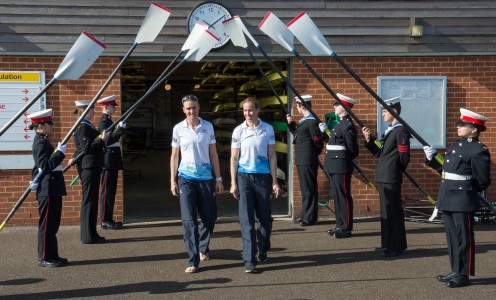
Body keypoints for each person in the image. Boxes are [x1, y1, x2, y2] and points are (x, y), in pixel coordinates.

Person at [423, 108, 491, 288]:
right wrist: (432, 159)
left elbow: (483, 180)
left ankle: (463, 274)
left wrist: (468, 191)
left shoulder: (478, 150)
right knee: (452, 237)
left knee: (464, 238)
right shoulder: (455, 146)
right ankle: (455, 269)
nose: (458, 126)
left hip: (462, 199)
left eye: (463, 124)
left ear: (474, 129)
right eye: (459, 123)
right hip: (447, 195)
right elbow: (445, 171)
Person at [170, 94, 224, 274]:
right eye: (188, 108)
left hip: (206, 179)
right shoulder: (178, 129)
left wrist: (218, 178)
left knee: (209, 217)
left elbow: (214, 154)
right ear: (183, 110)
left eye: (194, 107)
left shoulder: (207, 127)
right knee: (189, 221)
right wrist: (172, 180)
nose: (191, 111)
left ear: (199, 107)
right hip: (185, 179)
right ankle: (193, 259)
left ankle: (203, 246)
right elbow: (175, 156)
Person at [230, 97, 281, 273]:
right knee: (247, 221)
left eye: (251, 110)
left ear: (258, 110)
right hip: (244, 178)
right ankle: (249, 260)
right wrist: (233, 182)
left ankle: (263, 247)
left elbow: (272, 156)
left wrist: (275, 181)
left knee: (265, 218)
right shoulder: (238, 131)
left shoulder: (268, 129)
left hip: (263, 179)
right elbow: (234, 158)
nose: (248, 114)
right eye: (245, 111)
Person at [362, 97, 410, 257]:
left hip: (391, 176)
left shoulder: (401, 131)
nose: (382, 114)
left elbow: (404, 157)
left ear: (394, 112)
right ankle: (387, 243)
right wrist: (369, 140)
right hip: (384, 176)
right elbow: (380, 153)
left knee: (393, 212)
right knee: (386, 212)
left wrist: (395, 170)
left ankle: (396, 246)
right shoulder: (390, 130)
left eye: (384, 111)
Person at [28, 109, 68, 267]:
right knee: (47, 225)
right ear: (40, 125)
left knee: (53, 224)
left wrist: (57, 153)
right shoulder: (39, 143)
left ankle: (53, 255)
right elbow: (44, 166)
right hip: (48, 188)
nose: (52, 125)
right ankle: (44, 257)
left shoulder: (43, 140)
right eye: (49, 123)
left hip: (53, 188)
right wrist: (59, 154)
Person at [322, 93, 359, 238]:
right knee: (337, 197)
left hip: (341, 166)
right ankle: (340, 225)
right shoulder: (340, 123)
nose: (334, 107)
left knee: (343, 196)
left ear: (344, 107)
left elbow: (353, 150)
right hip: (333, 165)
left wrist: (343, 160)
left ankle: (346, 228)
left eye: (337, 104)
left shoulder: (348, 126)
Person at [72, 100, 109, 244]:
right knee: (88, 200)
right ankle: (87, 236)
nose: (94, 112)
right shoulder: (82, 126)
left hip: (92, 166)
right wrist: (101, 139)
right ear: (84, 111)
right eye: (91, 109)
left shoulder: (87, 125)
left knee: (92, 200)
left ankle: (92, 234)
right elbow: (86, 148)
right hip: (89, 167)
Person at [286, 95, 324, 226]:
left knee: (309, 189)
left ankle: (310, 217)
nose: (296, 108)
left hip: (308, 159)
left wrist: (313, 155)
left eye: (297, 105)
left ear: (302, 105)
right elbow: (298, 136)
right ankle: (305, 214)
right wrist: (291, 124)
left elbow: (318, 142)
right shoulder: (304, 121)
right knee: (305, 189)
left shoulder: (312, 122)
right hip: (302, 159)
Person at [97, 95, 125, 230]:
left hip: (112, 160)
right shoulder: (104, 122)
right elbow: (107, 141)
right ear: (106, 107)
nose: (114, 108)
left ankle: (108, 218)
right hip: (107, 161)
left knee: (111, 191)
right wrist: (120, 130)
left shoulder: (108, 121)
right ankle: (104, 219)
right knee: (107, 191)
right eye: (112, 106)